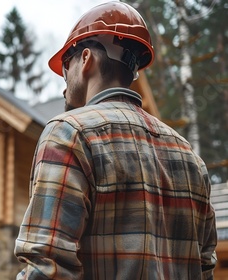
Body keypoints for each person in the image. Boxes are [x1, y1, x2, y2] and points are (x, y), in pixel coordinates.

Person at [14, 2, 217, 279]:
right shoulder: (190, 157)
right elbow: (204, 267)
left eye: (65, 67)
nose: (64, 82)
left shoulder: (69, 134)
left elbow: (47, 269)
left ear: (86, 59)